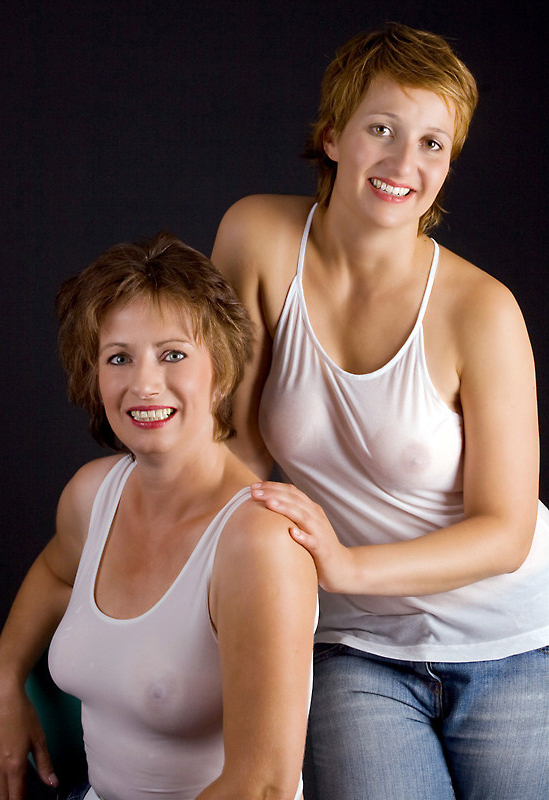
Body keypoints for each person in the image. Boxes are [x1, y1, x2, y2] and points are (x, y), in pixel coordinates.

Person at [210, 22, 549, 800]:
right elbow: (235, 447)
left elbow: (507, 531)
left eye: (433, 143)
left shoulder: (482, 309)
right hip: (353, 643)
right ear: (333, 135)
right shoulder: (258, 238)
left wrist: (347, 565)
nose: (404, 165)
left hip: (515, 643)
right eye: (382, 130)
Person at [0, 232, 317, 800]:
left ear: (221, 371)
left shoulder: (259, 542)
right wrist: (2, 681)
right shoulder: (93, 495)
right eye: (119, 358)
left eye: (173, 354)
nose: (143, 384)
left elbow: (262, 786)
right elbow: (57, 575)